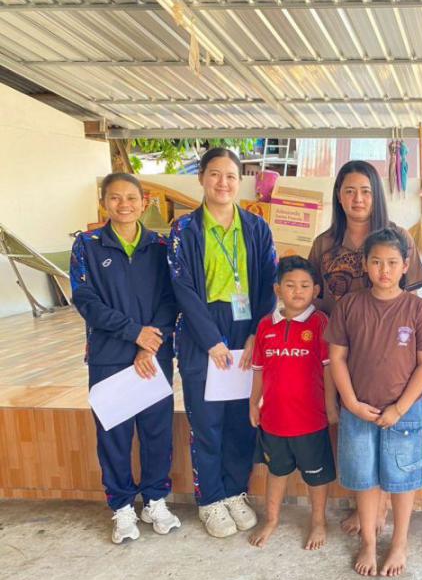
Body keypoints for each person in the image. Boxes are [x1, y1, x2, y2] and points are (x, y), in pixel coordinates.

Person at [308, 159, 422, 535]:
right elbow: (312, 297)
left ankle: (380, 511)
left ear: (376, 194)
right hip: (342, 355)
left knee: (391, 433)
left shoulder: (398, 236)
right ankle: (365, 507)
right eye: (349, 190)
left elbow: (412, 301)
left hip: (390, 357)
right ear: (338, 196)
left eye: (365, 190)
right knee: (355, 435)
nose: (358, 198)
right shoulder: (324, 244)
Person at [168, 147, 277, 538]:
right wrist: (210, 339)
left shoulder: (257, 227)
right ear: (201, 178)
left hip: (246, 326)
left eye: (231, 175)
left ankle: (234, 490)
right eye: (214, 174)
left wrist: (256, 333)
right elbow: (181, 287)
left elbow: (268, 283)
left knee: (240, 417)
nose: (223, 183)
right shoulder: (185, 230)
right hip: (203, 329)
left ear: (239, 181)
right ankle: (210, 499)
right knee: (207, 420)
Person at [70, 173, 180, 543]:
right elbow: (85, 299)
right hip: (109, 356)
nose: (124, 205)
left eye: (131, 197)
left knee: (156, 431)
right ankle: (121, 507)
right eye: (115, 198)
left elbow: (171, 298)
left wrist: (149, 343)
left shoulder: (160, 246)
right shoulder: (87, 245)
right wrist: (133, 333)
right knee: (113, 435)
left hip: (154, 354)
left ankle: (155, 499)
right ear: (103, 203)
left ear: (144, 202)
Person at [325, 227, 422, 577]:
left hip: (404, 412)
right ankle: (369, 543)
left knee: (402, 481)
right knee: (364, 479)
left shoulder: (418, 310)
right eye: (376, 262)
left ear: (405, 265)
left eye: (391, 262)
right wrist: (351, 403)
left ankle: (399, 543)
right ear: (365, 264)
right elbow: (337, 358)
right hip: (359, 410)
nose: (384, 270)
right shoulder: (349, 306)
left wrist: (399, 408)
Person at [248, 256, 339, 550]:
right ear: (278, 289)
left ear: (316, 290)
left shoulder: (320, 323)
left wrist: (331, 407)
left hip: (311, 421)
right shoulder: (265, 326)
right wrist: (253, 403)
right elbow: (258, 370)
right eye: (290, 285)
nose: (297, 291)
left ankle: (318, 522)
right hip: (274, 421)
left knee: (316, 478)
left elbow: (329, 369)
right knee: (276, 472)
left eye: (304, 285)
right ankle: (272, 519)